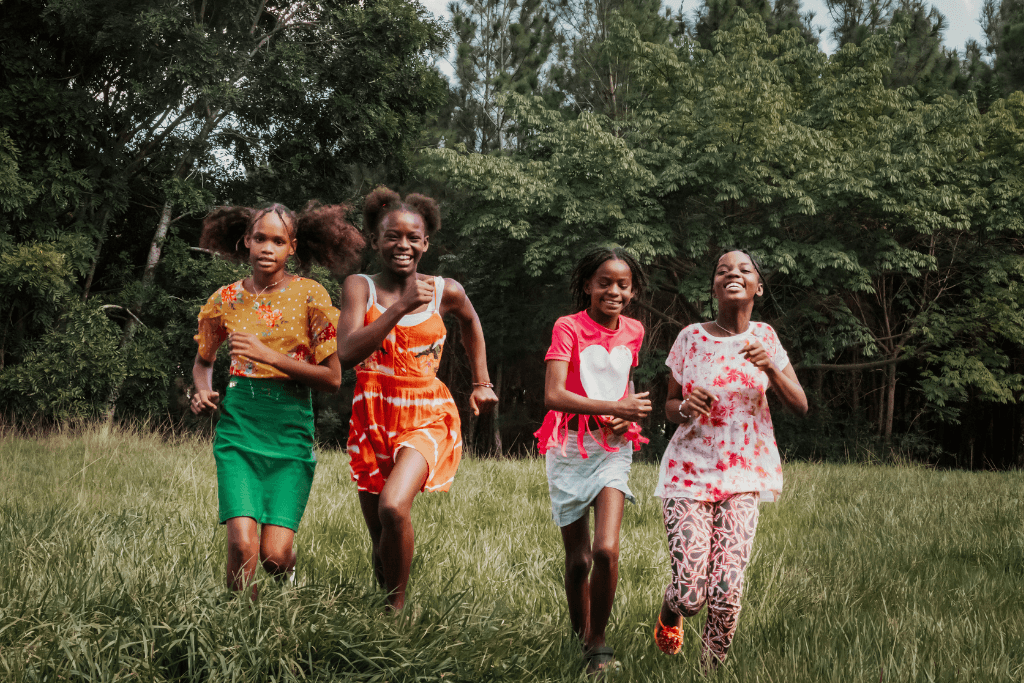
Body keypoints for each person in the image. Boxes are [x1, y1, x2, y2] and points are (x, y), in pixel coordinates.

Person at [338, 187, 498, 611]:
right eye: (392, 236)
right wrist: (400, 307)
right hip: (372, 414)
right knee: (380, 541)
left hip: (426, 413)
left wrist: (482, 381)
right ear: (375, 240)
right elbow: (348, 353)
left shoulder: (445, 290)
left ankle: (397, 612)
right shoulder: (360, 287)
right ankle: (386, 597)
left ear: (426, 243)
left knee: (394, 507)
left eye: (413, 237)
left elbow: (471, 322)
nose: (403, 245)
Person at [191, 201, 364, 594]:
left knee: (273, 555)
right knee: (242, 543)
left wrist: (270, 356)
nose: (268, 248)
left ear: (293, 247)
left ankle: (288, 572)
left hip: (289, 432)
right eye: (260, 239)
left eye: (278, 240)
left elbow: (333, 378)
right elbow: (203, 362)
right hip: (239, 428)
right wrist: (202, 392)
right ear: (246, 242)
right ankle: (240, 630)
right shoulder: (225, 299)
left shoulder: (311, 296)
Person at [652, 249, 807, 669]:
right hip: (687, 473)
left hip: (743, 475)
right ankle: (670, 611)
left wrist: (771, 368)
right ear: (714, 286)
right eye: (723, 271)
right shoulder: (690, 337)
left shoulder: (766, 337)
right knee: (690, 594)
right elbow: (668, 406)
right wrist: (685, 406)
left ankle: (709, 672)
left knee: (726, 589)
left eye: (743, 270)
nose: (732, 274)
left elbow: (801, 405)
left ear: (759, 286)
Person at [535, 246, 652, 678]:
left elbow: (621, 380)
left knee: (605, 549)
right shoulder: (568, 327)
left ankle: (598, 641)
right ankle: (578, 633)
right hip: (568, 446)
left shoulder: (635, 330)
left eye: (623, 284)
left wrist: (628, 415)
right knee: (579, 559)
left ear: (633, 291)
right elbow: (554, 395)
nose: (614, 291)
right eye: (604, 282)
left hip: (611, 449)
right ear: (587, 285)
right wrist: (617, 406)